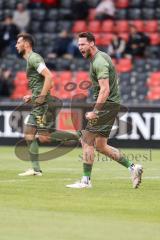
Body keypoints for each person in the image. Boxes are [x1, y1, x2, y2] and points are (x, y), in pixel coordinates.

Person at [66, 32, 143, 189]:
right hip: (111, 105)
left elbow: (105, 89)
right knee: (100, 146)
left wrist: (96, 110)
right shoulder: (100, 57)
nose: (80, 47)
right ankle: (133, 168)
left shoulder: (99, 62)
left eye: (83, 44)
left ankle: (86, 181)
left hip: (106, 105)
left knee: (86, 140)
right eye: (79, 44)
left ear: (92, 43)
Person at [16, 33, 78, 176]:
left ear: (26, 44)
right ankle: (36, 169)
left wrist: (41, 97)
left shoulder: (34, 58)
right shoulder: (31, 59)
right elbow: (49, 83)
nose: (16, 45)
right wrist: (33, 96)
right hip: (41, 101)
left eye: (19, 42)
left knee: (41, 135)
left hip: (42, 103)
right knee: (32, 134)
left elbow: (50, 76)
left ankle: (80, 136)